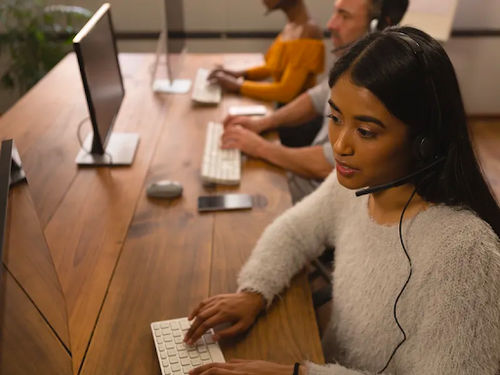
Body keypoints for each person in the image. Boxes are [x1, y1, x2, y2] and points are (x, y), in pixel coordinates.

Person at [184, 27, 500, 374]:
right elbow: (294, 230)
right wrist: (255, 291)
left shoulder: (466, 254)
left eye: (365, 132)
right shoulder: (358, 187)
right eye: (335, 119)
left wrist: (295, 374)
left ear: (423, 141)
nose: (340, 145)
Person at [221, 0, 409, 203]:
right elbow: (317, 97)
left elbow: (330, 162)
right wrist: (262, 123)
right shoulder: (352, 66)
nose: (330, 25)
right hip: (303, 183)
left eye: (344, 17)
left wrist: (260, 148)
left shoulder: (378, 84)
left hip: (317, 196)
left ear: (379, 26)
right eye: (335, 13)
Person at [208, 0, 324, 104]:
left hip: (299, 120)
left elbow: (286, 92)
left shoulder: (308, 31)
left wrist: (238, 86)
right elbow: (272, 67)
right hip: (285, 111)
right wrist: (241, 74)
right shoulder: (291, 26)